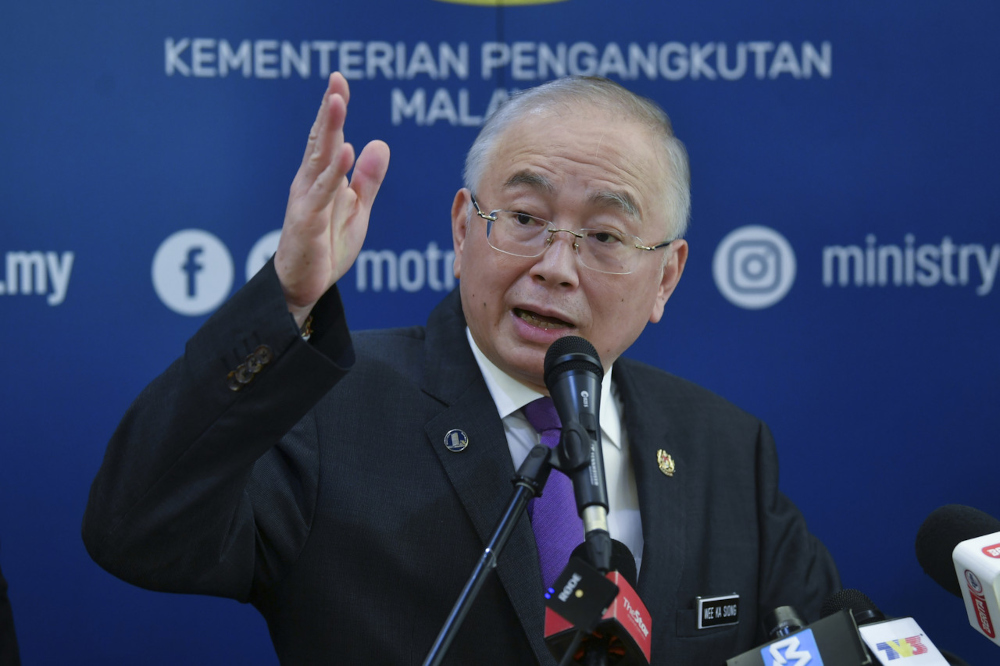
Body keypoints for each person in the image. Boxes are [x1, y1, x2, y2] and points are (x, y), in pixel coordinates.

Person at [83, 73, 839, 664]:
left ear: (665, 278)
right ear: (461, 228)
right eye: (523, 219)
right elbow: (134, 530)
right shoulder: (328, 411)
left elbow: (821, 643)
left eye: (605, 236)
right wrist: (283, 298)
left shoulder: (722, 447)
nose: (555, 267)